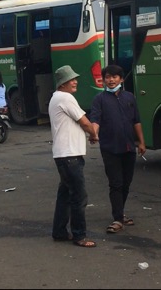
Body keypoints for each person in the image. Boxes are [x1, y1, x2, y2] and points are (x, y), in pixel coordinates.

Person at [90, 64, 145, 234]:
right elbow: (96, 120)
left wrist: (141, 142)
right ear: (104, 80)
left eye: (114, 77)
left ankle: (120, 213)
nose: (111, 80)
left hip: (129, 147)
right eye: (107, 77)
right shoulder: (99, 99)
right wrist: (94, 133)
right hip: (110, 148)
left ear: (121, 79)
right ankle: (117, 218)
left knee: (126, 184)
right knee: (116, 183)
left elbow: (136, 121)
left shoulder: (129, 97)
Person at [49, 65, 99, 248]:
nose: (75, 81)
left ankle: (60, 231)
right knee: (79, 196)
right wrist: (93, 134)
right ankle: (79, 235)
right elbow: (84, 121)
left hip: (63, 154)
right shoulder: (66, 97)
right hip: (70, 155)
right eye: (71, 79)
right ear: (63, 84)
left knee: (65, 194)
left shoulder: (56, 98)